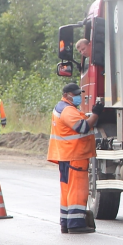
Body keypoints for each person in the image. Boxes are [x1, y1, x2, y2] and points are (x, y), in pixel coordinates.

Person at [46, 83, 97, 234]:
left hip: (67, 155)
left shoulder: (62, 108)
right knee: (77, 190)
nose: (78, 97)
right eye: (75, 94)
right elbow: (82, 127)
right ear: (67, 95)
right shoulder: (67, 110)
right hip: (75, 156)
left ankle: (66, 222)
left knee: (67, 190)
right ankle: (75, 223)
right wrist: (96, 114)